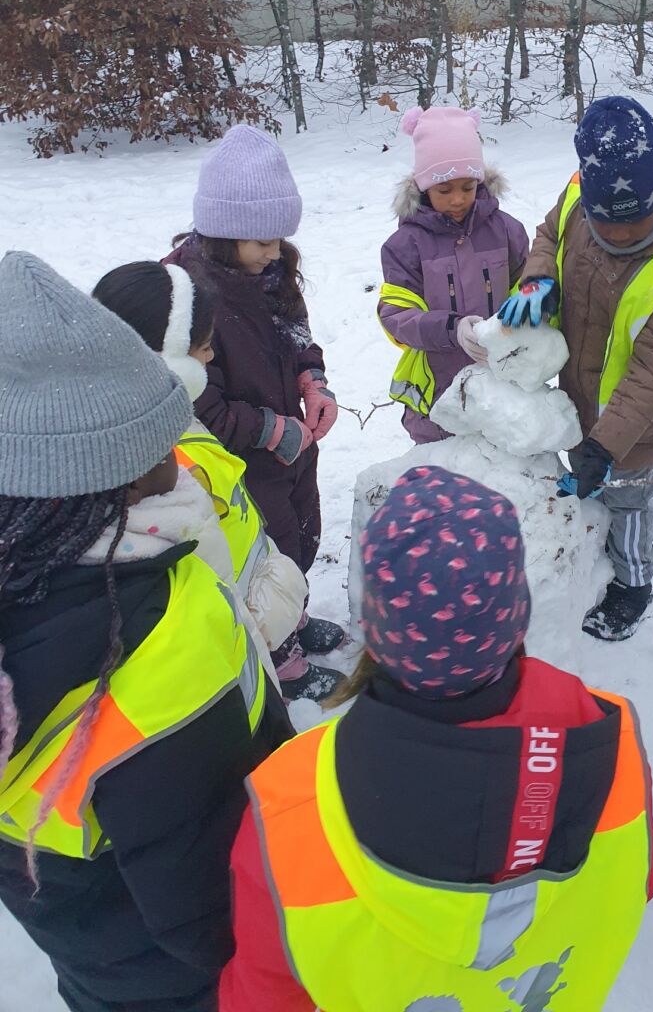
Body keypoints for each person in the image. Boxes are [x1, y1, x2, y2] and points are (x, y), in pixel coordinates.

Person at [220, 466, 653, 1012]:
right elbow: (637, 882)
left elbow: (263, 998)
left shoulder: (287, 806)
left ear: (377, 625)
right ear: (516, 611)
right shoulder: (611, 740)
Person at [0, 251, 294, 1012]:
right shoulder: (166, 645)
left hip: (85, 941)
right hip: (193, 975)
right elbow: (212, 902)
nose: (182, 465)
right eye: (160, 451)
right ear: (106, 477)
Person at [498, 96, 653, 641]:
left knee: (627, 501)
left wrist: (607, 447)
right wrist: (539, 277)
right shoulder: (584, 187)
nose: (621, 237)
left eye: (636, 224)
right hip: (581, 391)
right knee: (591, 486)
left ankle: (633, 582)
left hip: (643, 423)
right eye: (609, 225)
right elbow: (550, 234)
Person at [93, 260, 346, 702]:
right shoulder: (151, 464)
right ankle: (283, 665)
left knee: (274, 580)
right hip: (232, 583)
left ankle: (291, 625)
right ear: (163, 356)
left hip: (250, 546)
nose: (210, 357)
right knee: (256, 614)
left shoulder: (174, 412)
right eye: (203, 348)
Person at [165, 125, 341, 608]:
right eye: (262, 240)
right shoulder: (186, 297)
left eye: (280, 238)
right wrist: (268, 430)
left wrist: (314, 380)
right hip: (238, 465)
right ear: (224, 233)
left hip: (293, 445)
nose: (275, 251)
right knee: (264, 555)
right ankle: (278, 654)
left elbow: (296, 331)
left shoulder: (269, 270)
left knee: (302, 535)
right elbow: (197, 404)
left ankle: (295, 620)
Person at [379, 106, 530, 444]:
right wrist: (452, 329)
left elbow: (532, 287)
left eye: (468, 186)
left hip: (504, 384)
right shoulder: (404, 246)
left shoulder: (507, 231)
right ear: (423, 188)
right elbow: (397, 316)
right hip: (437, 392)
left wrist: (516, 321)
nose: (458, 199)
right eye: (444, 190)